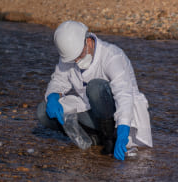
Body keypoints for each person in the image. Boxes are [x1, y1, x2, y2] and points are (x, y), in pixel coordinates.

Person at [37, 20, 153, 160]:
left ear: (88, 41)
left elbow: (124, 95)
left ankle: (111, 139)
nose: (77, 61)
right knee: (43, 111)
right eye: (74, 59)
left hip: (118, 116)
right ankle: (94, 139)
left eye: (79, 56)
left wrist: (123, 130)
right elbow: (58, 80)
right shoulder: (70, 56)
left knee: (95, 87)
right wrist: (53, 96)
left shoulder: (112, 56)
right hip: (93, 113)